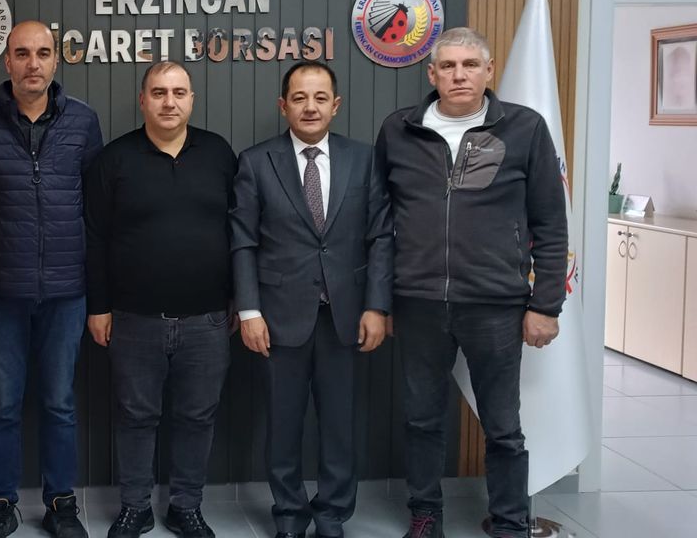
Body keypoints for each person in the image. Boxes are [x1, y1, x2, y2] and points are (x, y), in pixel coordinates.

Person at [374, 27, 567, 538]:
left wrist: (546, 304)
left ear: (489, 70)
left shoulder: (524, 128)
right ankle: (425, 515)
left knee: (503, 426)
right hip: (418, 303)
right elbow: (379, 222)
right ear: (432, 74)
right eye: (448, 66)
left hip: (496, 305)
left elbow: (551, 222)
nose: (459, 75)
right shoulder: (399, 130)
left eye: (470, 65)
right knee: (422, 420)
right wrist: (381, 299)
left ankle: (509, 521)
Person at [229, 61, 393, 538]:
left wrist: (376, 306)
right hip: (278, 317)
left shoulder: (364, 159)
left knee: (340, 425)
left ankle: (332, 515)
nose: (310, 107)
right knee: (283, 425)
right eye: (299, 98)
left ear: (335, 105)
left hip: (347, 315)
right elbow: (243, 241)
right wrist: (249, 310)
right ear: (283, 105)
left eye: (320, 98)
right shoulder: (256, 161)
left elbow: (381, 237)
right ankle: (289, 515)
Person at [0, 20, 103, 538]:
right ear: (7, 62)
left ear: (56, 60)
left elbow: (96, 207)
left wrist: (97, 291)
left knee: (59, 403)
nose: (33, 64)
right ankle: (1, 503)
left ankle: (61, 502)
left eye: (43, 53)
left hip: (67, 291)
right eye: (22, 53)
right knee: (2, 405)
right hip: (2, 293)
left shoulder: (83, 120)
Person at [84, 61, 236, 538]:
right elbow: (95, 239)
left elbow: (241, 231)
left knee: (197, 417)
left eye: (179, 92)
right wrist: (98, 306)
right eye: (159, 92)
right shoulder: (114, 159)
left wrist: (238, 299)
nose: (169, 102)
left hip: (207, 319)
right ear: (142, 100)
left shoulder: (218, 153)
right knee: (135, 416)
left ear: (191, 99)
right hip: (133, 318)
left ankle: (186, 506)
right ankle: (135, 507)